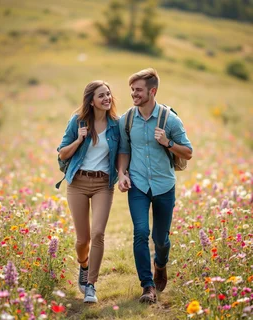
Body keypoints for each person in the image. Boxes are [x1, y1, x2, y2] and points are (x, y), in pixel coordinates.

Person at [117, 68, 192, 304]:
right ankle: (147, 286)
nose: (134, 94)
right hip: (138, 184)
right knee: (140, 233)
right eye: (132, 90)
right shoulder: (127, 119)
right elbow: (124, 150)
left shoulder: (170, 119)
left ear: (152, 91)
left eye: (138, 90)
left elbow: (188, 152)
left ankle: (160, 264)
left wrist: (168, 142)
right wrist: (121, 173)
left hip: (164, 185)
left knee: (161, 239)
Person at [57, 80, 120, 303]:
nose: (107, 98)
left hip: (103, 183)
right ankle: (83, 265)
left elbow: (123, 153)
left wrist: (123, 174)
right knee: (83, 239)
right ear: (91, 101)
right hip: (78, 183)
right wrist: (79, 139)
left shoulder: (116, 125)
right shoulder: (78, 121)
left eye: (108, 94)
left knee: (98, 234)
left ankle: (91, 285)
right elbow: (62, 154)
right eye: (101, 95)